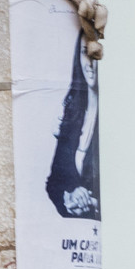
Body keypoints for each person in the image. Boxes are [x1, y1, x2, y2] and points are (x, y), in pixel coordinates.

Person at [46, 27, 99, 218]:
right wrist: (68, 199)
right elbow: (53, 184)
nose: (90, 63)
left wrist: (92, 203)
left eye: (96, 56)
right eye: (85, 53)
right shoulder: (72, 112)